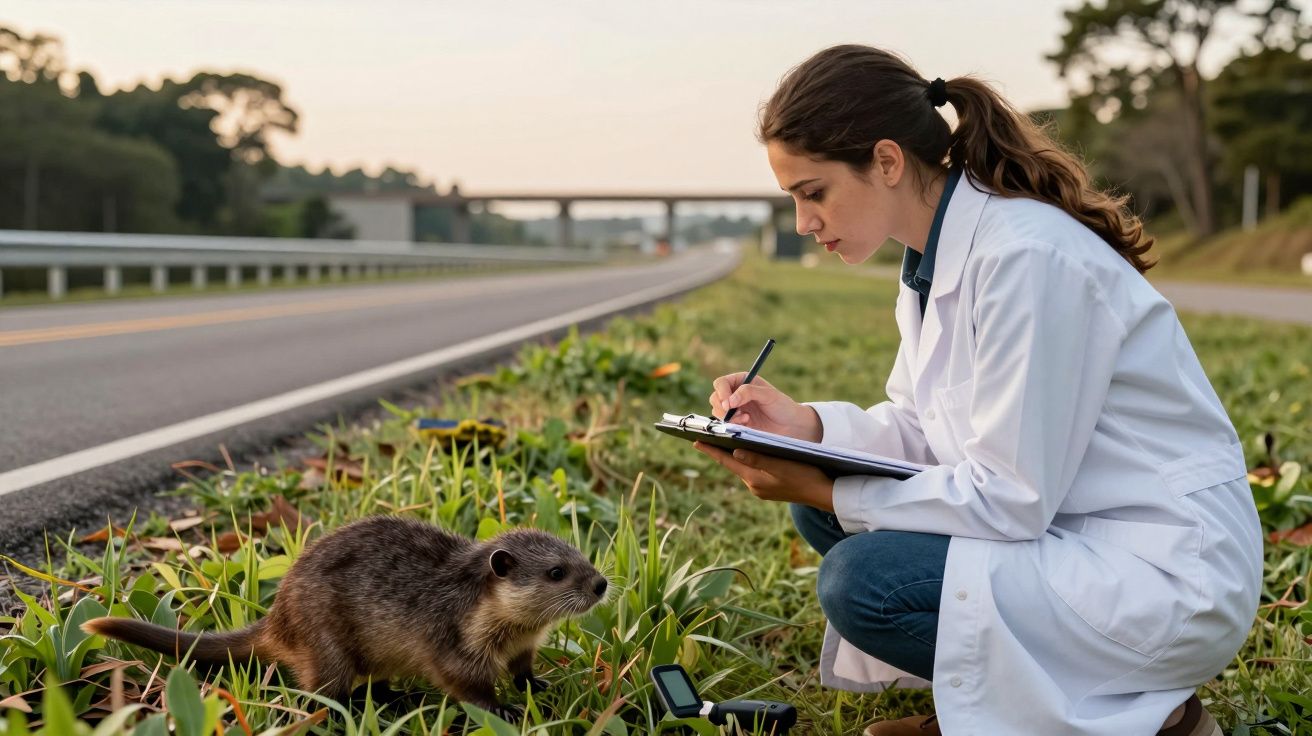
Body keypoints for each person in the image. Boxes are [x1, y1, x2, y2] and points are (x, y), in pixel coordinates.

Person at [694, 45, 1262, 736]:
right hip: (1068, 531)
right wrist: (806, 428)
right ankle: (997, 703)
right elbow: (925, 427)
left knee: (860, 576)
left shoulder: (1026, 257)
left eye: (812, 193)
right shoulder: (931, 259)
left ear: (887, 161)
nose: (802, 223)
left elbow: (1010, 497)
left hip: (1160, 575)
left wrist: (820, 486)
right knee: (831, 514)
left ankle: (1151, 717)